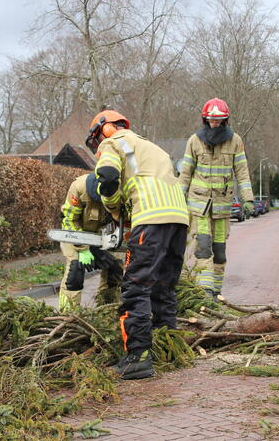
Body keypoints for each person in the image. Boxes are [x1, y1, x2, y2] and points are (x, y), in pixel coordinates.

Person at [86, 109, 189, 380]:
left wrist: (113, 205)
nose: (98, 145)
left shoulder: (113, 143)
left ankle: (138, 357)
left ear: (105, 129)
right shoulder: (153, 147)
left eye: (97, 138)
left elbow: (107, 177)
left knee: (135, 288)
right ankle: (168, 349)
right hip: (178, 218)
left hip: (151, 217)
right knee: (163, 288)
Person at [178, 98, 254, 299]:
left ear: (225, 120)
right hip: (199, 206)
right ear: (205, 119)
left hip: (222, 207)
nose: (214, 123)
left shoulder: (235, 141)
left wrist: (248, 199)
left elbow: (242, 172)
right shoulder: (194, 141)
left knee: (219, 251)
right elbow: (185, 173)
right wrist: (178, 199)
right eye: (211, 119)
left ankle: (217, 292)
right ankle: (205, 293)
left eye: (218, 120)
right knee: (203, 247)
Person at [58, 173, 123, 311]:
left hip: (101, 236)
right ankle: (68, 314)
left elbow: (120, 221)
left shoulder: (120, 190)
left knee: (115, 268)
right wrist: (83, 247)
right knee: (75, 271)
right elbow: (69, 220)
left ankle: (106, 308)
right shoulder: (79, 188)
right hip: (74, 234)